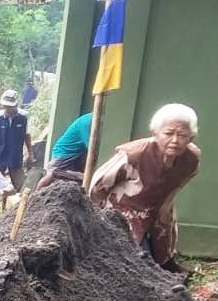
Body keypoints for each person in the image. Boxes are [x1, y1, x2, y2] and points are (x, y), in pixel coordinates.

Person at [88, 104, 201, 272]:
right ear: (155, 133)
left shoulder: (191, 159)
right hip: (123, 207)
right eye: (168, 133)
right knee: (135, 259)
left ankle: (167, 264)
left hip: (159, 206)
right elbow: (98, 185)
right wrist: (95, 216)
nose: (175, 140)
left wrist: (165, 209)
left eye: (182, 135)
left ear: (190, 137)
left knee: (164, 249)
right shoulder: (133, 155)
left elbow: (178, 185)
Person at [0, 89, 33, 190]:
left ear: (15, 105)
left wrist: (30, 153)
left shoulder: (23, 117)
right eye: (5, 106)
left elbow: (27, 136)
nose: (7, 109)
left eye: (10, 106)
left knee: (21, 186)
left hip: (15, 155)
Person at [35, 111, 93, 190]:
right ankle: (35, 195)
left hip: (75, 155)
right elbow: (91, 147)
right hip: (63, 153)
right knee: (52, 173)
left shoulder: (89, 120)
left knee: (76, 178)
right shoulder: (86, 122)